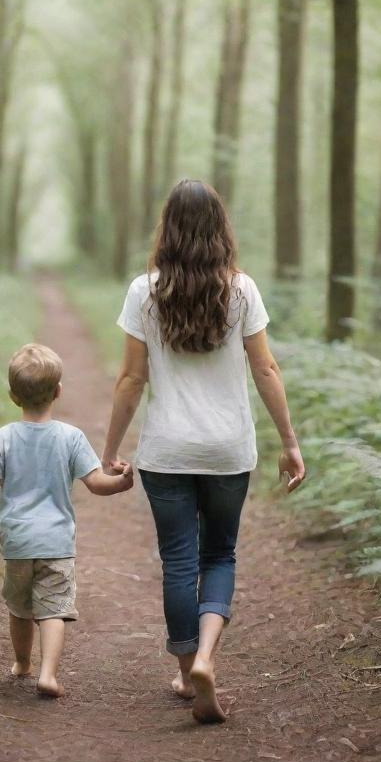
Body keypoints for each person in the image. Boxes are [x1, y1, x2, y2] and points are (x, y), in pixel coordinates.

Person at [102, 179, 305, 724]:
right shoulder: (241, 291)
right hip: (226, 451)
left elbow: (130, 379)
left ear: (166, 228)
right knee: (219, 556)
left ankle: (188, 665)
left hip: (166, 452)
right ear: (220, 229)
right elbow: (266, 368)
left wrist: (109, 450)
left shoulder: (144, 291)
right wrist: (289, 442)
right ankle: (209, 659)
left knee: (178, 562)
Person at [0, 343, 134, 698]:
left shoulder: (4, 438)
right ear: (58, 391)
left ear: (13, 396)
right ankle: (48, 674)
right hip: (56, 541)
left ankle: (22, 663)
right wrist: (121, 482)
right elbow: (95, 483)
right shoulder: (70, 437)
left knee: (20, 608)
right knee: (54, 609)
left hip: (17, 542)